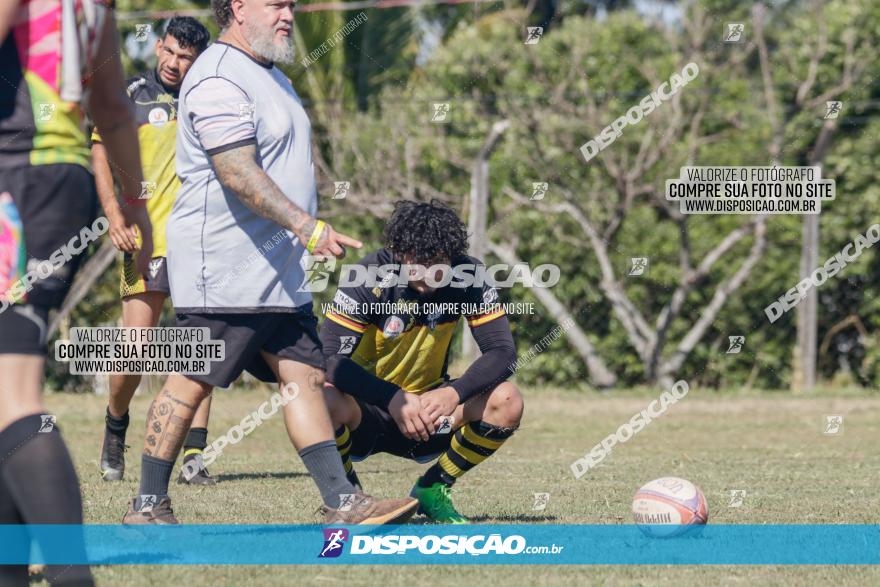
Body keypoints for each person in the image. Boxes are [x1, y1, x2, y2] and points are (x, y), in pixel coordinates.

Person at [121, 0, 417, 525]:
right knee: (191, 380)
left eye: (292, 6)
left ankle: (342, 501)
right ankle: (147, 503)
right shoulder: (215, 75)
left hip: (279, 272)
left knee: (304, 378)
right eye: (276, 4)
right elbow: (235, 171)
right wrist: (307, 227)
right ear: (238, 7)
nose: (288, 15)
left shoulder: (272, 75)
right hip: (225, 267)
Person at [0, 0, 152, 582]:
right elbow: (112, 108)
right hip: (56, 179)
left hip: (18, 173)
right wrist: (137, 204)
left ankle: (69, 575)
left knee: (14, 393)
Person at [320, 200, 524, 524]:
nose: (429, 275)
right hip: (369, 411)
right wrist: (391, 398)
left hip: (431, 415)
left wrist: (452, 394)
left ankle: (432, 489)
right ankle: (351, 502)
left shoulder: (468, 275)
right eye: (419, 264)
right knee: (321, 398)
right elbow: (326, 358)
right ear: (400, 253)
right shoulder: (368, 275)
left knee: (508, 399)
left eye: (438, 264)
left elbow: (502, 351)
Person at [92, 16, 217, 486]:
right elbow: (100, 152)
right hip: (147, 239)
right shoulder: (132, 93)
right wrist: (114, 213)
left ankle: (194, 455)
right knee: (135, 352)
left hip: (203, 242)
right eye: (168, 51)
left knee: (201, 348)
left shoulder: (210, 98)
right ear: (158, 46)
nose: (173, 63)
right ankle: (115, 423)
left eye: (185, 57)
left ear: (198, 60)